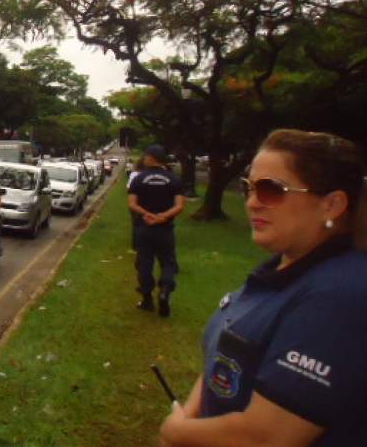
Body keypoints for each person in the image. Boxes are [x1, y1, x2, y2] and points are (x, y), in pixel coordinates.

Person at [159, 129, 367, 447]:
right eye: (250, 188)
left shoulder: (339, 296)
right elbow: (223, 362)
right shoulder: (279, 273)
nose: (253, 203)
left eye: (271, 190)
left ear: (332, 205)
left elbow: (266, 437)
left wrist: (176, 431)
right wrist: (190, 414)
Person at [128, 144, 185, 317]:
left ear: (151, 158)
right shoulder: (174, 180)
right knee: (168, 261)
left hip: (144, 228)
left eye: (145, 156)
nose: (144, 159)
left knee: (144, 264)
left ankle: (147, 300)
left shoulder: (139, 179)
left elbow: (132, 204)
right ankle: (165, 290)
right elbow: (180, 206)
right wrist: (162, 216)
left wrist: (147, 214)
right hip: (165, 229)